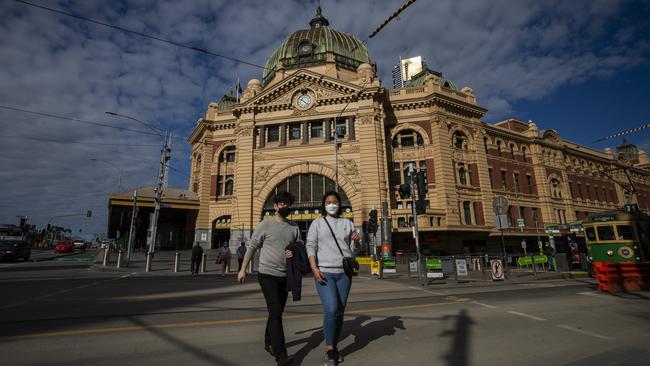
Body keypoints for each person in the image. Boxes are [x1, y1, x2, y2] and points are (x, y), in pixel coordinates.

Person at [237, 191, 301, 366]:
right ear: (275, 206)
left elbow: (299, 248)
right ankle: (281, 356)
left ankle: (268, 342)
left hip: (285, 276)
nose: (285, 207)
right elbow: (252, 247)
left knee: (275, 312)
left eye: (288, 204)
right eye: (282, 204)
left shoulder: (294, 227)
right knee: (276, 312)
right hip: (267, 275)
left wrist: (293, 251)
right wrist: (243, 269)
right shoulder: (264, 225)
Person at [306, 191, 360, 366]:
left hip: (344, 273)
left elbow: (354, 251)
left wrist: (357, 241)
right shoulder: (317, 223)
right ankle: (329, 349)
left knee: (339, 312)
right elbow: (311, 245)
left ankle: (334, 346)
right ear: (324, 204)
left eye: (335, 201)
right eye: (328, 202)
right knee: (331, 309)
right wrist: (314, 268)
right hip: (325, 272)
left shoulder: (347, 223)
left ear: (339, 204)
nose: (332, 204)